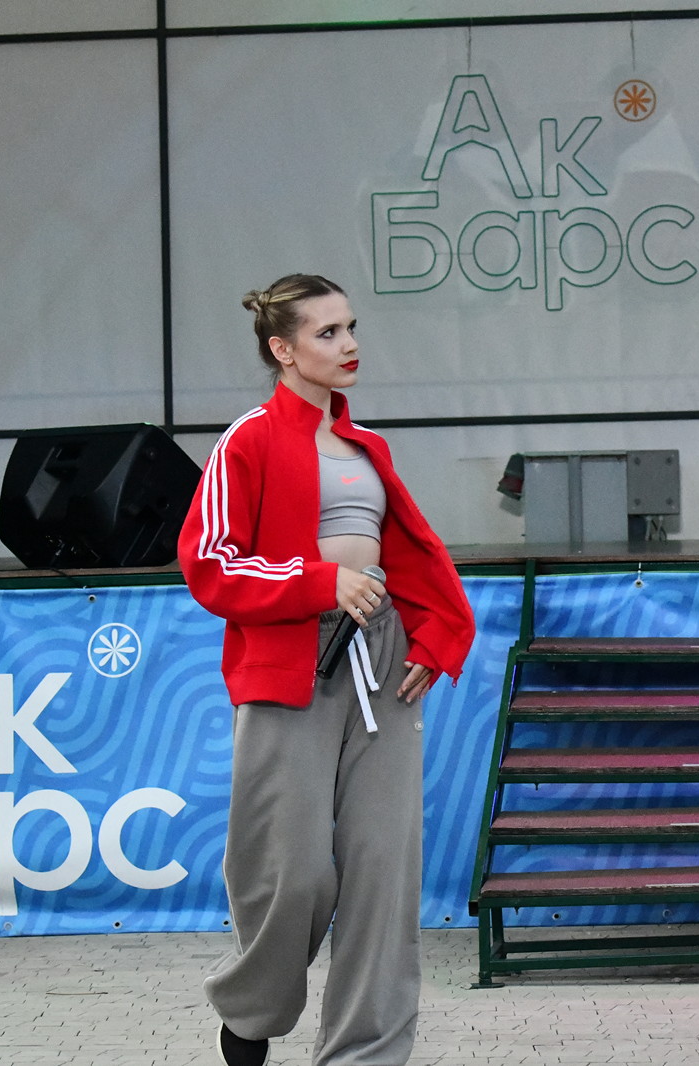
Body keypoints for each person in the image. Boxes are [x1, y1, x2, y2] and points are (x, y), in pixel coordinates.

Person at [178, 273, 476, 1066]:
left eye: (351, 328)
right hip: (292, 657)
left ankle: (364, 1055)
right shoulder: (248, 440)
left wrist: (434, 637)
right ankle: (255, 1010)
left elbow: (411, 556)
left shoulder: (367, 445)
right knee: (293, 871)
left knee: (384, 869)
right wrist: (318, 582)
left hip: (382, 655)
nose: (349, 345)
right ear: (283, 349)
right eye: (327, 332)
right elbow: (210, 563)